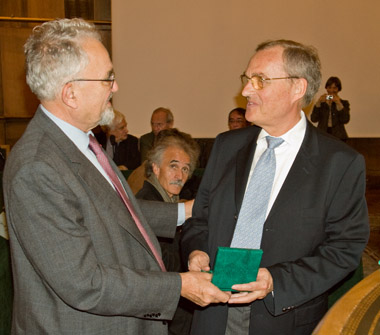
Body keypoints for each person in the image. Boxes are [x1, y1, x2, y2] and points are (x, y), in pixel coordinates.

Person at [3, 18, 230, 334]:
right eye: (107, 78)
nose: (116, 87)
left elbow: (113, 211)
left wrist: (186, 210)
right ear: (70, 93)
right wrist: (179, 285)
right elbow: (85, 283)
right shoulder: (38, 167)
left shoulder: (80, 140)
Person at [181, 39, 369, 335]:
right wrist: (196, 251)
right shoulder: (226, 146)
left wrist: (275, 280)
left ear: (298, 88)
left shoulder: (339, 163)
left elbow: (344, 250)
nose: (245, 91)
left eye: (260, 81)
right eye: (247, 79)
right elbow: (199, 218)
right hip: (212, 314)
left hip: (282, 317)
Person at [136, 128, 200, 335]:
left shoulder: (169, 200)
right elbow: (160, 262)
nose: (179, 175)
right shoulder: (147, 202)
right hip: (163, 312)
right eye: (173, 166)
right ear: (155, 168)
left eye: (185, 169)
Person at [310, 76, 350, 141]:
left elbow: (345, 120)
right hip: (323, 135)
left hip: (338, 136)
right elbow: (314, 119)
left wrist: (339, 103)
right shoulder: (322, 103)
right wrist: (318, 103)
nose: (332, 90)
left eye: (335, 88)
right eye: (329, 87)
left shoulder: (344, 103)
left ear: (338, 89)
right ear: (326, 88)